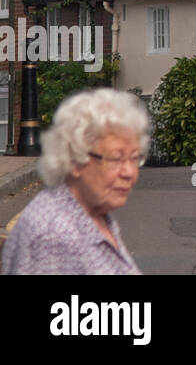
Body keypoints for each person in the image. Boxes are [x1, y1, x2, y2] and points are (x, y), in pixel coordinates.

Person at [1, 88, 149, 275]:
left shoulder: (95, 214)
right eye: (115, 159)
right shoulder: (52, 237)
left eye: (134, 158)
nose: (129, 172)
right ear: (74, 160)